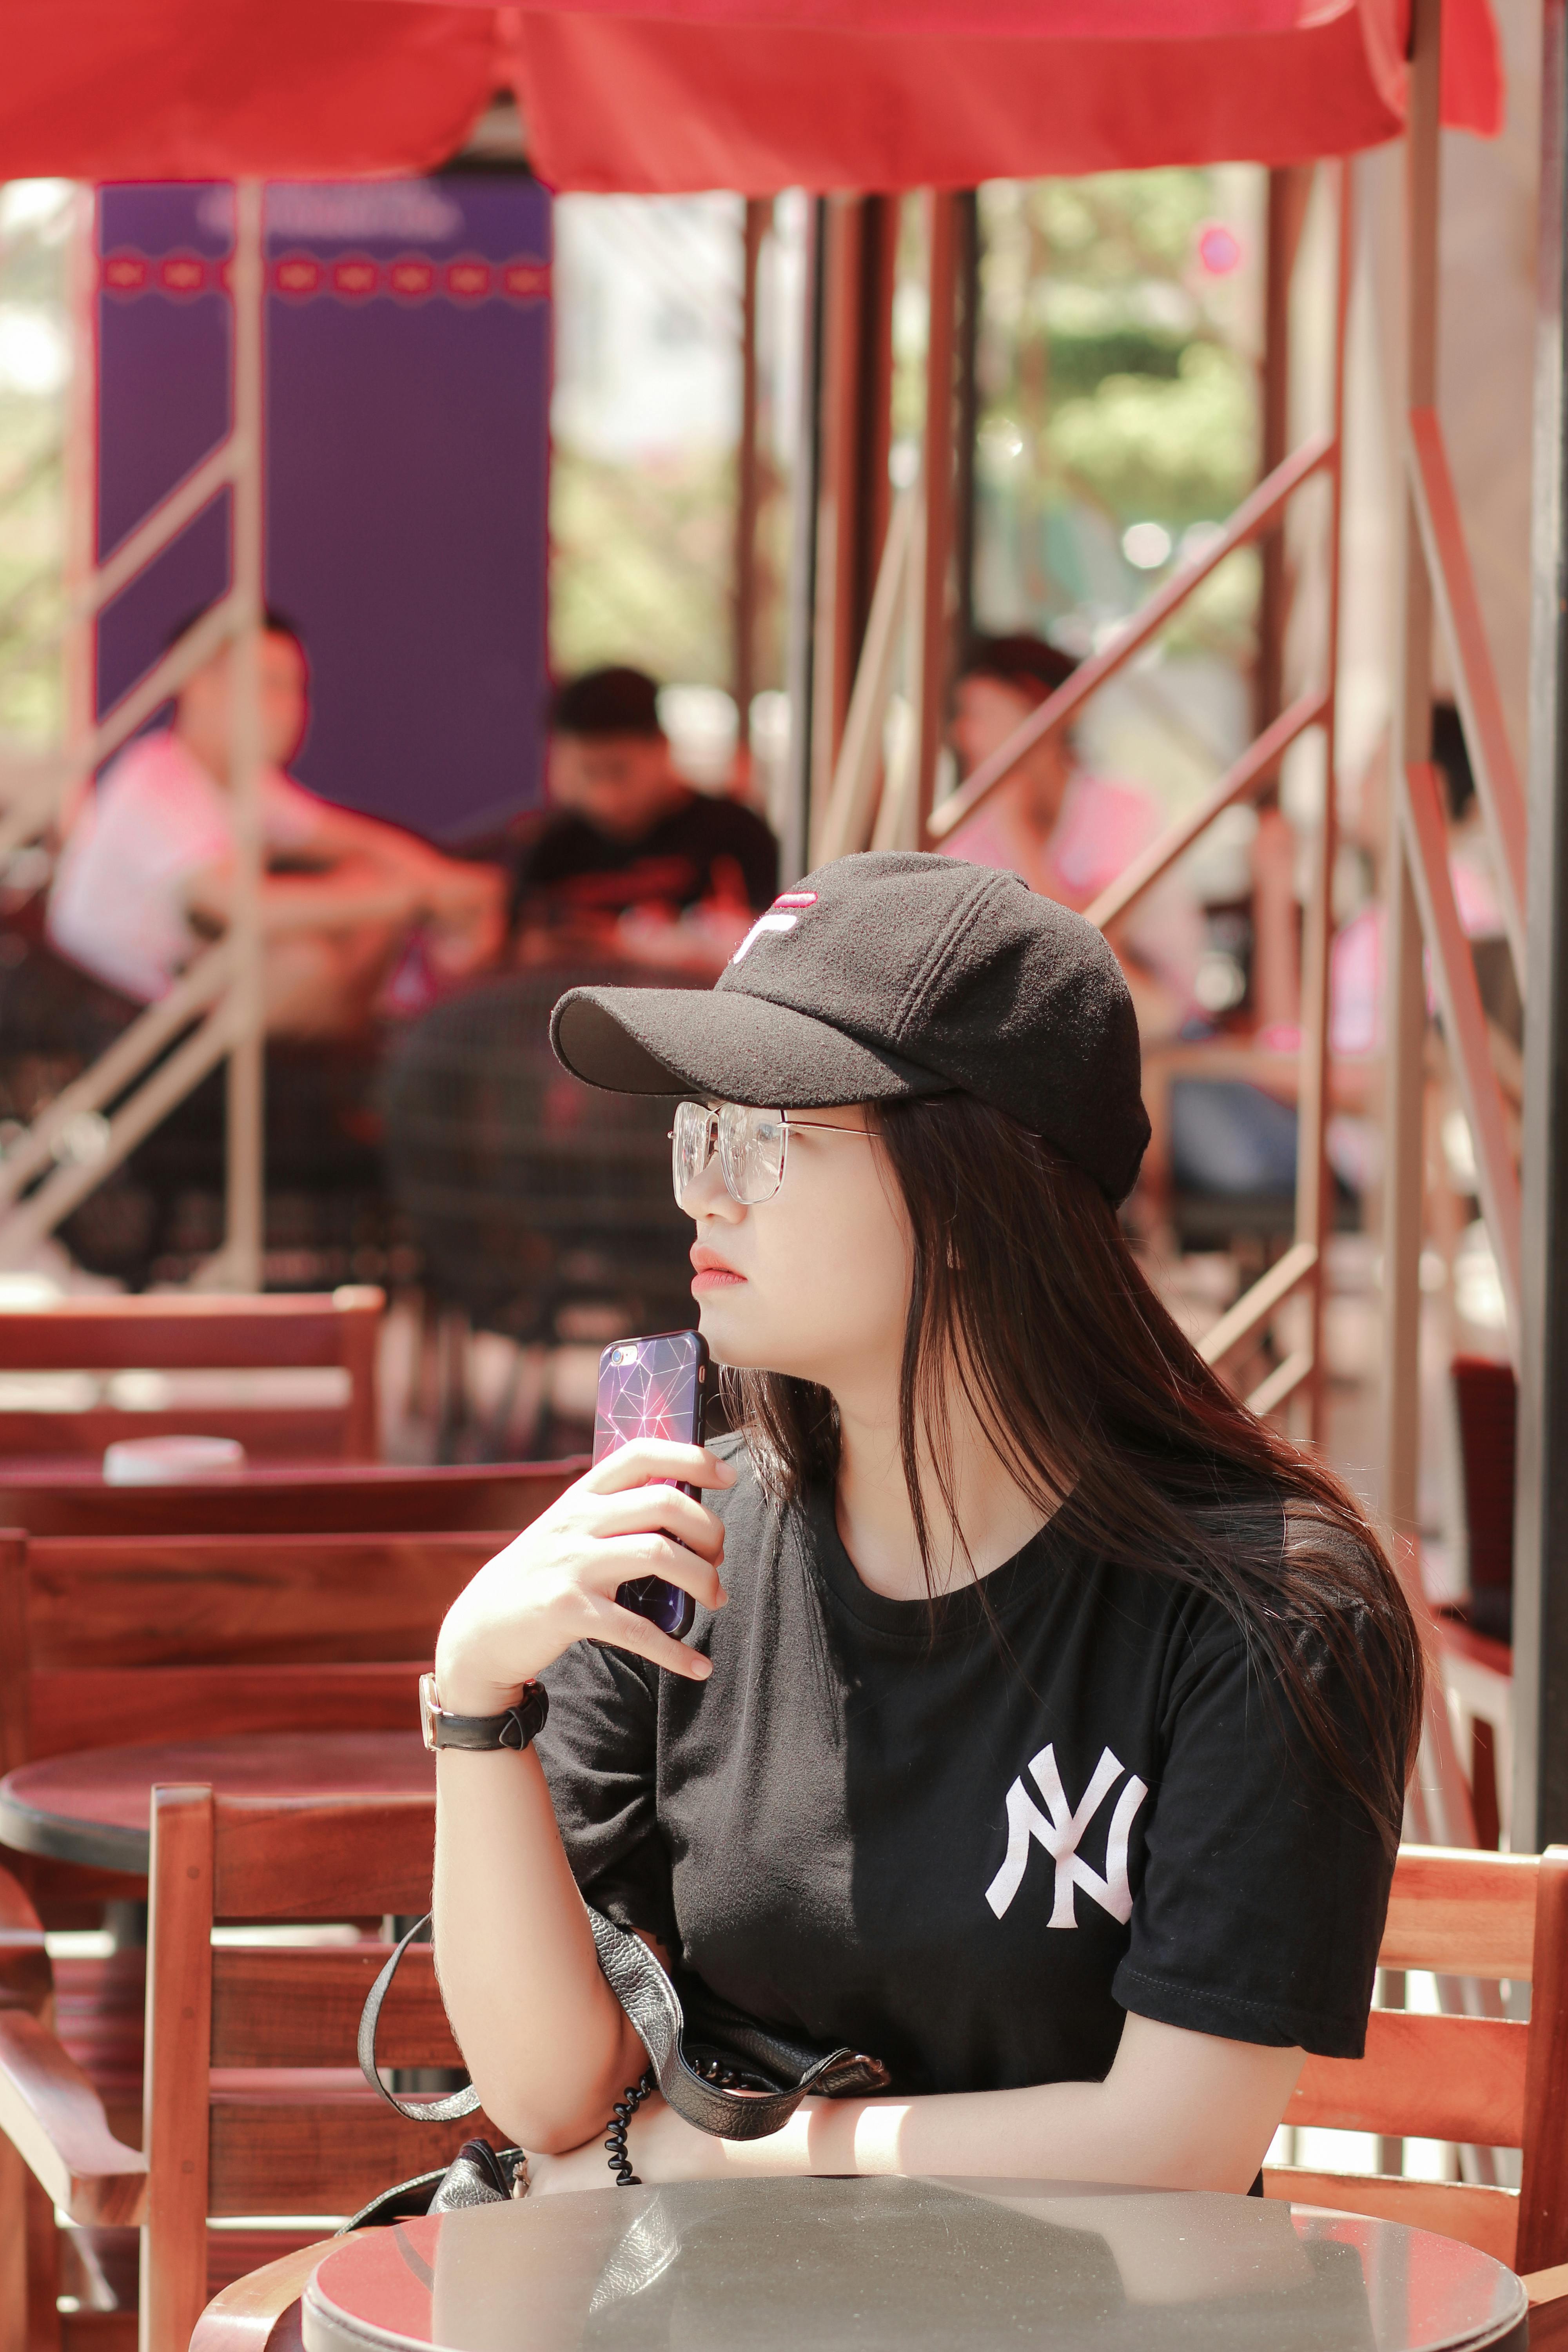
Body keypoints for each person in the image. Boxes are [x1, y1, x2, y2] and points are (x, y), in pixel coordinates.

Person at [428, 852, 1421, 2196]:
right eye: (694, 1134)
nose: (701, 1195)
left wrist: (724, 2158)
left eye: (762, 1139)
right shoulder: (674, 1546)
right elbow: (551, 2102)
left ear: (971, 1198)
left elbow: (1177, 2149)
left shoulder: (1271, 1607)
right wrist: (475, 1696)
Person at [47, 612, 505, 1039]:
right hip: (108, 1022)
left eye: (297, 688)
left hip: (190, 988)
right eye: (269, 685)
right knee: (307, 960)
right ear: (198, 685)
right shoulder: (154, 783)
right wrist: (413, 898)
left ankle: (400, 1013)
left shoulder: (249, 783)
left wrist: (451, 886)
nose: (290, 708)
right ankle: (394, 1022)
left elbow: (362, 841)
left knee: (362, 891)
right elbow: (243, 905)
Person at [946, 635, 1204, 1042]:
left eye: (986, 714)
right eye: (965, 716)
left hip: (1153, 1012)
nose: (966, 735)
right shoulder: (971, 825)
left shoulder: (1121, 808)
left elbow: (1087, 945)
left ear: (1045, 716)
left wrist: (1016, 827)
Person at [510, 666, 778, 971]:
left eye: (619, 771)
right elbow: (519, 951)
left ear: (662, 747)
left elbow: (773, 954)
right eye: (588, 773)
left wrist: (629, 946)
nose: (605, 796)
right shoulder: (551, 850)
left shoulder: (736, 834)